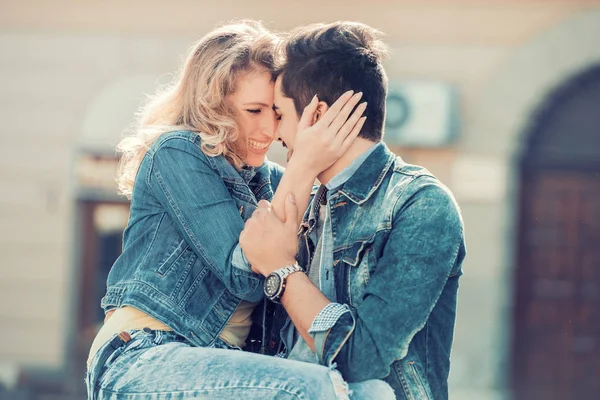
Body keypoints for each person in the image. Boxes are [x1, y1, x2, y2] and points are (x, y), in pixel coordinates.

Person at [85, 20, 388, 400]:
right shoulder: (177, 153)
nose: (269, 129)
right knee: (314, 389)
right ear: (213, 106)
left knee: (374, 393)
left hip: (221, 362)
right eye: (253, 110)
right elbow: (244, 273)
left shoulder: (274, 181)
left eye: (276, 112)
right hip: (144, 353)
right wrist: (305, 166)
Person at [240, 21, 467, 400]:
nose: (275, 131)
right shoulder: (305, 200)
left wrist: (283, 270)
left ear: (318, 115)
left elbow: (362, 357)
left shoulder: (420, 204)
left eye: (280, 113)